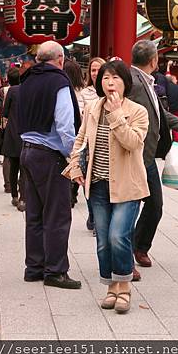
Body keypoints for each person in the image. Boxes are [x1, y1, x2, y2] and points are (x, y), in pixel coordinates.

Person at [64, 60, 149, 313]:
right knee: (103, 241)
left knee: (118, 236)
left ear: (125, 82)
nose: (109, 83)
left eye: (115, 78)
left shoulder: (137, 111)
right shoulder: (92, 107)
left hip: (127, 185)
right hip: (98, 185)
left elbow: (133, 143)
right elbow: (81, 139)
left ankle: (124, 288)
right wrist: (75, 166)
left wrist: (116, 115)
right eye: (105, 78)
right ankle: (111, 287)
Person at [18, 41, 81, 289]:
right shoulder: (59, 82)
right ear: (60, 59)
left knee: (34, 213)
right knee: (57, 214)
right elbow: (65, 125)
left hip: (27, 150)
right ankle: (55, 270)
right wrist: (73, 155)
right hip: (50, 153)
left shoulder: (27, 79)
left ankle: (34, 267)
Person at [129, 40, 178, 277]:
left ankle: (139, 246)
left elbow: (158, 111)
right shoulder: (132, 81)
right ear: (154, 60)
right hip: (134, 154)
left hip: (146, 156)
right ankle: (126, 259)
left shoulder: (146, 80)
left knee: (155, 205)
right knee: (130, 207)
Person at [80, 57, 106, 232]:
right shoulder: (85, 93)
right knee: (88, 178)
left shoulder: (112, 90)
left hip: (106, 142)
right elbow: (82, 116)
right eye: (93, 70)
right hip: (88, 140)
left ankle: (98, 216)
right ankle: (93, 212)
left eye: (99, 70)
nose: (95, 73)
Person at [1, 67, 24, 211]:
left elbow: (5, 112)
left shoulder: (11, 91)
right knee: (25, 168)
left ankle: (14, 195)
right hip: (26, 133)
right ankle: (23, 198)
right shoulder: (27, 90)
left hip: (12, 132)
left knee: (13, 165)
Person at [63, 58, 86, 208]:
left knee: (67, 160)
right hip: (81, 131)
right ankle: (73, 191)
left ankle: (68, 192)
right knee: (78, 161)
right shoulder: (82, 93)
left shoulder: (62, 92)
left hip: (67, 131)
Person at [166, 74, 178, 142]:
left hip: (168, 108)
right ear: (172, 80)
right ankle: (176, 139)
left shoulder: (166, 87)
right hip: (176, 108)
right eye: (176, 79)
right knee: (176, 123)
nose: (176, 80)